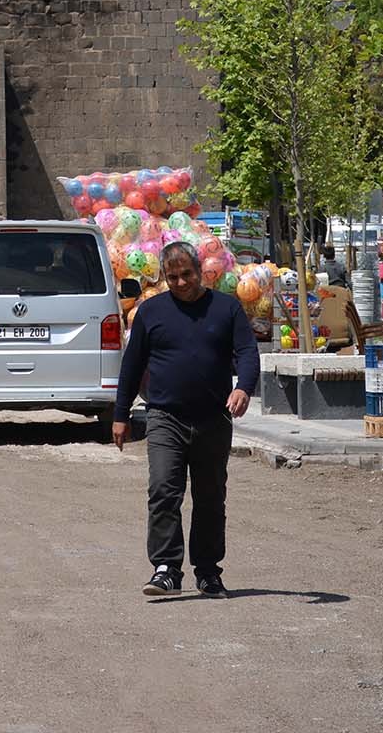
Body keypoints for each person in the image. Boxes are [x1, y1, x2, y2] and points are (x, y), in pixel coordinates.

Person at [112, 241, 259, 599]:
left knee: (210, 498)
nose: (180, 282)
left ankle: (208, 572)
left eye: (187, 274)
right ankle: (166, 569)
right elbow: (131, 367)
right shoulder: (151, 312)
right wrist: (120, 415)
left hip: (213, 420)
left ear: (201, 272)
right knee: (163, 490)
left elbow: (247, 352)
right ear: (164, 277)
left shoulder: (226, 308)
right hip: (165, 417)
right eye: (173, 276)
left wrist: (243, 387)